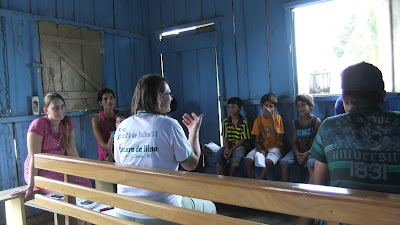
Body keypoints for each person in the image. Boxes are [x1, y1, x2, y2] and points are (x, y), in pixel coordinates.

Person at [297, 62, 400, 225]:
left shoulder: (329, 127)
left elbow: (317, 185)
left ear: (343, 97)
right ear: (383, 96)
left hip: (344, 219)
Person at [113, 74, 216, 223]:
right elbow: (191, 164)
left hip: (123, 209)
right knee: (210, 208)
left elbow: (119, 161)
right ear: (159, 96)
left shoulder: (122, 126)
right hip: (160, 212)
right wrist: (193, 133)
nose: (172, 98)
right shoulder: (168, 124)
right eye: (169, 93)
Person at [10, 93, 92, 199]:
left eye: (62, 106)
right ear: (46, 110)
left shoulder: (67, 124)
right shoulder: (38, 125)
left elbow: (72, 150)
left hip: (60, 167)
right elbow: (34, 158)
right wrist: (30, 186)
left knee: (86, 184)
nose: (60, 110)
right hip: (40, 168)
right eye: (55, 108)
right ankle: (67, 214)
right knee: (61, 190)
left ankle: (80, 214)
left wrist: (80, 171)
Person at [280, 94, 321, 182]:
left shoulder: (316, 122)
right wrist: (297, 153)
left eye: (303, 105)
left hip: (312, 151)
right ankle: (285, 189)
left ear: (311, 106)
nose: (300, 108)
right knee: (284, 162)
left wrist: (307, 152)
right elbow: (294, 142)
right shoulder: (296, 123)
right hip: (299, 151)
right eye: (298, 106)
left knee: (310, 164)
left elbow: (318, 142)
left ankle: (314, 189)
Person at [245, 93, 284, 180]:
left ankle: (259, 182)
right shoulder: (258, 120)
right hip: (262, 147)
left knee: (268, 161)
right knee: (248, 160)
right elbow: (257, 141)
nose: (268, 109)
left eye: (271, 106)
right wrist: (260, 149)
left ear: (275, 107)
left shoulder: (278, 118)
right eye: (266, 106)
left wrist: (271, 120)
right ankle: (253, 182)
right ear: (261, 106)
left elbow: (277, 138)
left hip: (275, 147)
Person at [214, 97, 251, 176]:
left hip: (240, 145)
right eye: (229, 107)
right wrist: (227, 148)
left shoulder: (244, 121)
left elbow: (243, 139)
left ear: (240, 108)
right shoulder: (226, 121)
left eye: (233, 107)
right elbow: (226, 136)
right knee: (218, 155)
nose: (231, 109)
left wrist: (232, 149)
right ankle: (221, 177)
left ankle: (231, 176)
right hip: (229, 145)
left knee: (237, 156)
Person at [91, 88, 116, 161]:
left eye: (111, 98)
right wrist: (121, 148)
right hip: (106, 156)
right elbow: (102, 145)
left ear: (114, 100)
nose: (109, 101)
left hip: (119, 153)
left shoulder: (118, 118)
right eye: (105, 99)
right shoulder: (97, 119)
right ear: (100, 103)